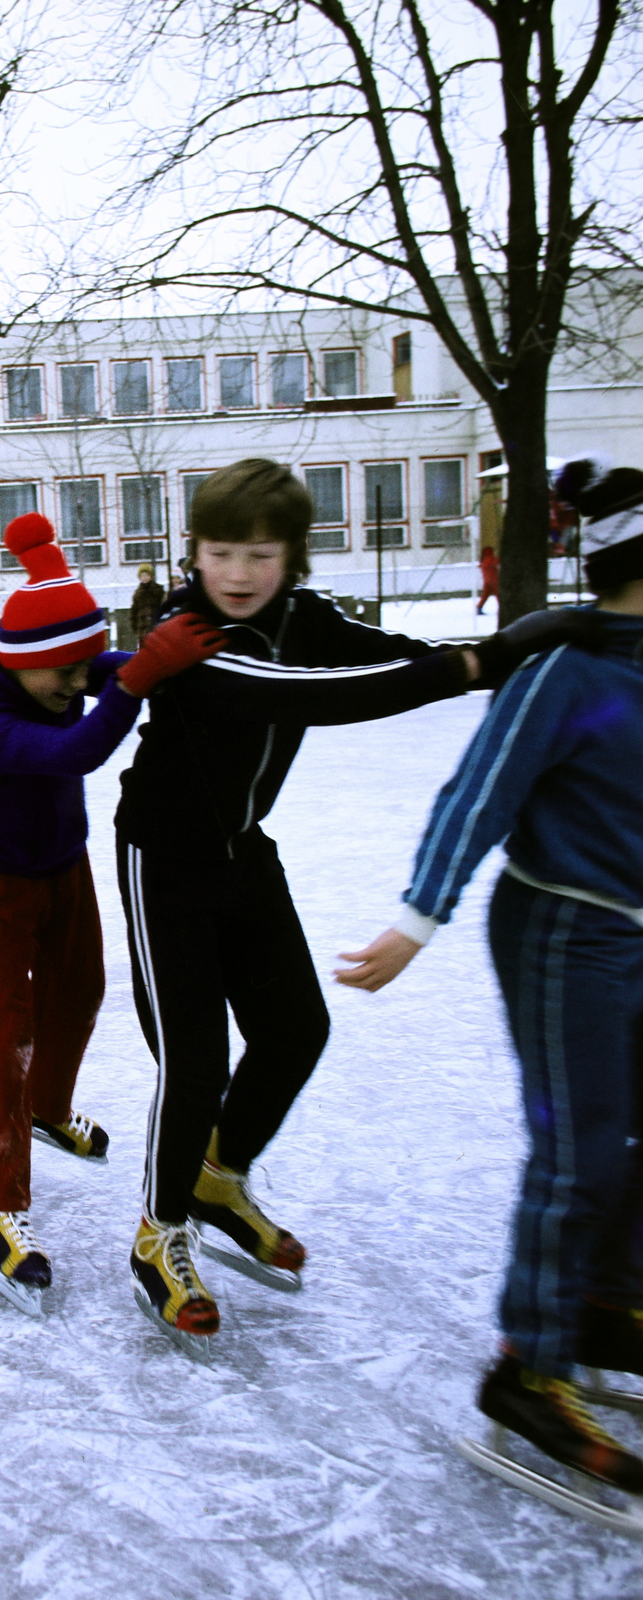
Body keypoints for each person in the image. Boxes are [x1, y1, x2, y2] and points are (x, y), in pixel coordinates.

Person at [113, 457, 596, 1358]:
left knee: (296, 1029)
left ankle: (218, 1178)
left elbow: (381, 656)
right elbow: (317, 696)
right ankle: (159, 1229)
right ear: (195, 554)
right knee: (194, 1058)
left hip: (243, 851)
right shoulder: (188, 637)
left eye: (260, 554)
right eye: (220, 552)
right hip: (163, 860)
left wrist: (493, 659)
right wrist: (468, 666)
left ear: (293, 555)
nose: (240, 574)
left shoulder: (303, 615)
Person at [337, 453, 643, 1516]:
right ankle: (528, 1370)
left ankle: (604, 1304)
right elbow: (481, 789)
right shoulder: (569, 671)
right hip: (565, 928)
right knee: (581, 1144)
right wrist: (418, 918)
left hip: (638, 933)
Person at [0, 514, 226, 1315]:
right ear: (28, 664)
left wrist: (139, 660)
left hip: (62, 863)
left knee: (80, 993)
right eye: (64, 677)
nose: (79, 686)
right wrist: (138, 680)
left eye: (84, 672)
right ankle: (0, 1208)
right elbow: (76, 750)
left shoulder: (54, 664)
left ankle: (47, 1106)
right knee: (9, 1032)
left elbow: (94, 662)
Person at [128, 562, 165, 643]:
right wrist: (136, 628)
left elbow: (163, 607)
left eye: (146, 575)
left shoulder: (158, 591)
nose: (144, 578)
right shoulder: (138, 593)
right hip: (142, 628)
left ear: (151, 576)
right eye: (142, 576)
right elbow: (133, 611)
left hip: (156, 626)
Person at [477, 543, 500, 616]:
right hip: (494, 581)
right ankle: (502, 608)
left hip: (486, 582)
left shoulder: (483, 561)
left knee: (484, 596)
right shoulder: (493, 559)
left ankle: (479, 607)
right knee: (499, 596)